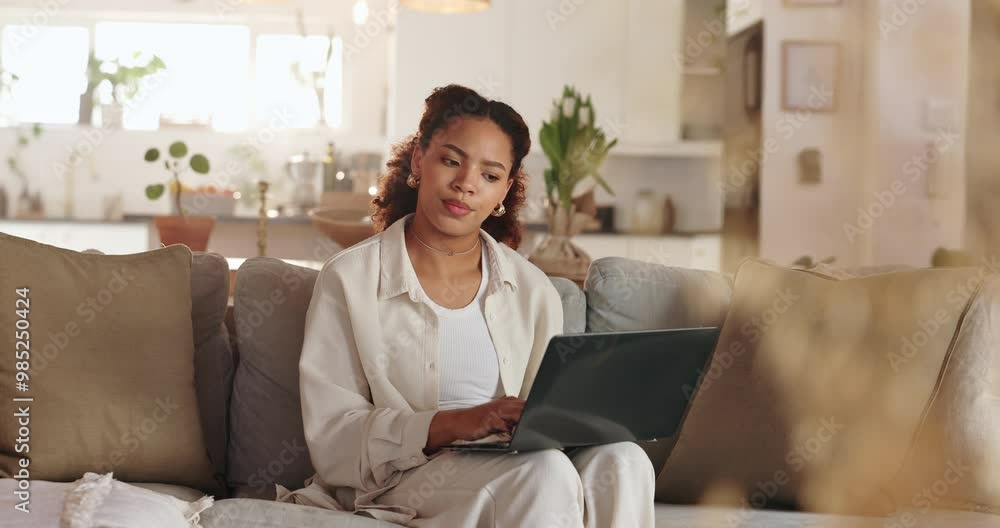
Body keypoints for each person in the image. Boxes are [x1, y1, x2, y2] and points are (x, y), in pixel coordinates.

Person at [276, 84, 655, 527]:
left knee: (625, 460)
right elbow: (334, 440)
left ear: (503, 192)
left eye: (490, 176)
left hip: (514, 462)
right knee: (544, 473)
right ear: (420, 160)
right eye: (451, 161)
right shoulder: (349, 279)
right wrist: (456, 423)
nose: (466, 184)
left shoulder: (532, 289)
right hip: (404, 474)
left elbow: (545, 416)